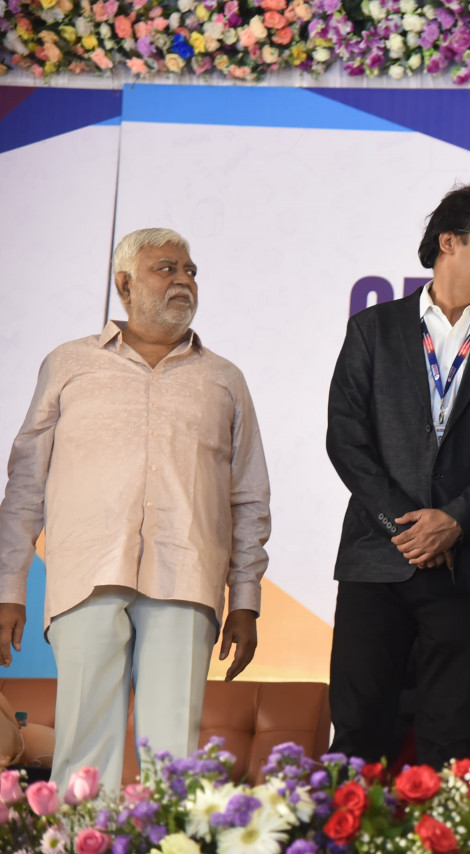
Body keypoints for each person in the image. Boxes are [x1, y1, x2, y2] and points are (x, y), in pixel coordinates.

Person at [0, 227, 269, 788]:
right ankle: (81, 835)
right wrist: (9, 589)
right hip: (86, 575)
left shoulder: (224, 379)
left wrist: (245, 600)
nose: (183, 280)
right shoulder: (68, 364)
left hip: (187, 578)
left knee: (174, 761)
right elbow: (25, 486)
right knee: (83, 753)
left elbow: (248, 497)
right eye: (166, 269)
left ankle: (167, 837)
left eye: (190, 271)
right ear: (124, 284)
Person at [326, 184, 470, 768]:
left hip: (467, 562)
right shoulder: (373, 328)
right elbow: (346, 440)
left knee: (448, 741)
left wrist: (453, 521)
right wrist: (405, 526)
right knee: (357, 734)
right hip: (376, 558)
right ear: (449, 242)